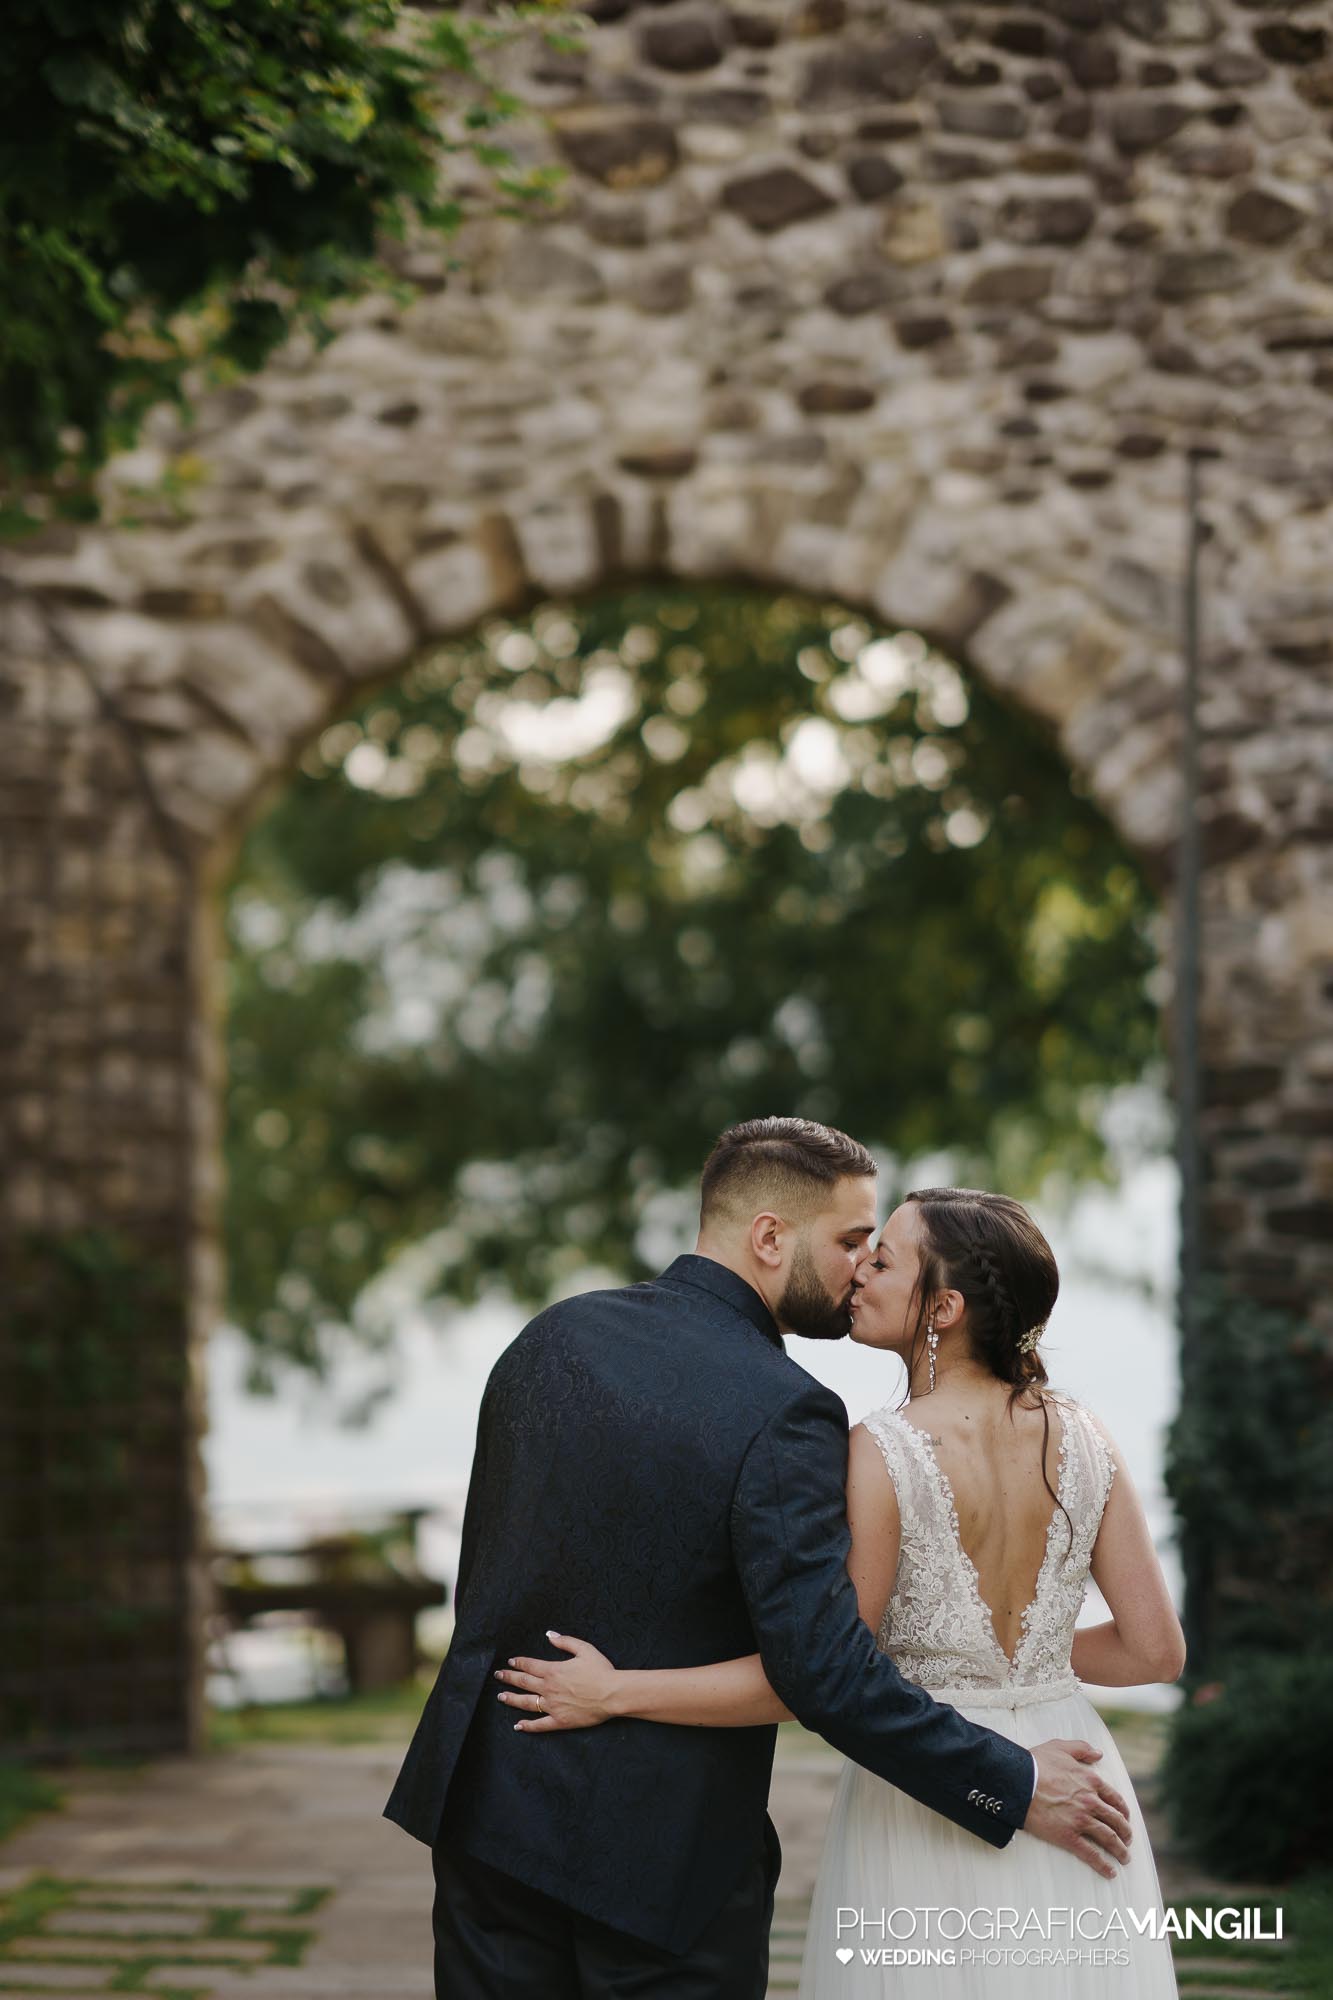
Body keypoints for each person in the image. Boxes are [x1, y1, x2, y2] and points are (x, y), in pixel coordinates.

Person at [384, 1119, 1132, 1999]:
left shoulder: (548, 1339)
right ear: (769, 1237)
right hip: (666, 1859)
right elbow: (822, 1670)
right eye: (852, 1240)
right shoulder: (786, 1410)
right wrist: (1005, 1782)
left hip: (487, 1820)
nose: (863, 1265)